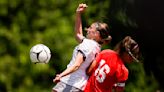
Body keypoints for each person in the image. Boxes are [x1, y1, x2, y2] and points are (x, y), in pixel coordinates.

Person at [52, 3, 112, 92]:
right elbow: (78, 34)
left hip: (70, 83)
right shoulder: (96, 47)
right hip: (80, 86)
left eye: (91, 28)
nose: (88, 29)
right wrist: (78, 14)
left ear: (97, 34)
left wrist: (61, 75)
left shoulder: (87, 45)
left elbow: (76, 65)